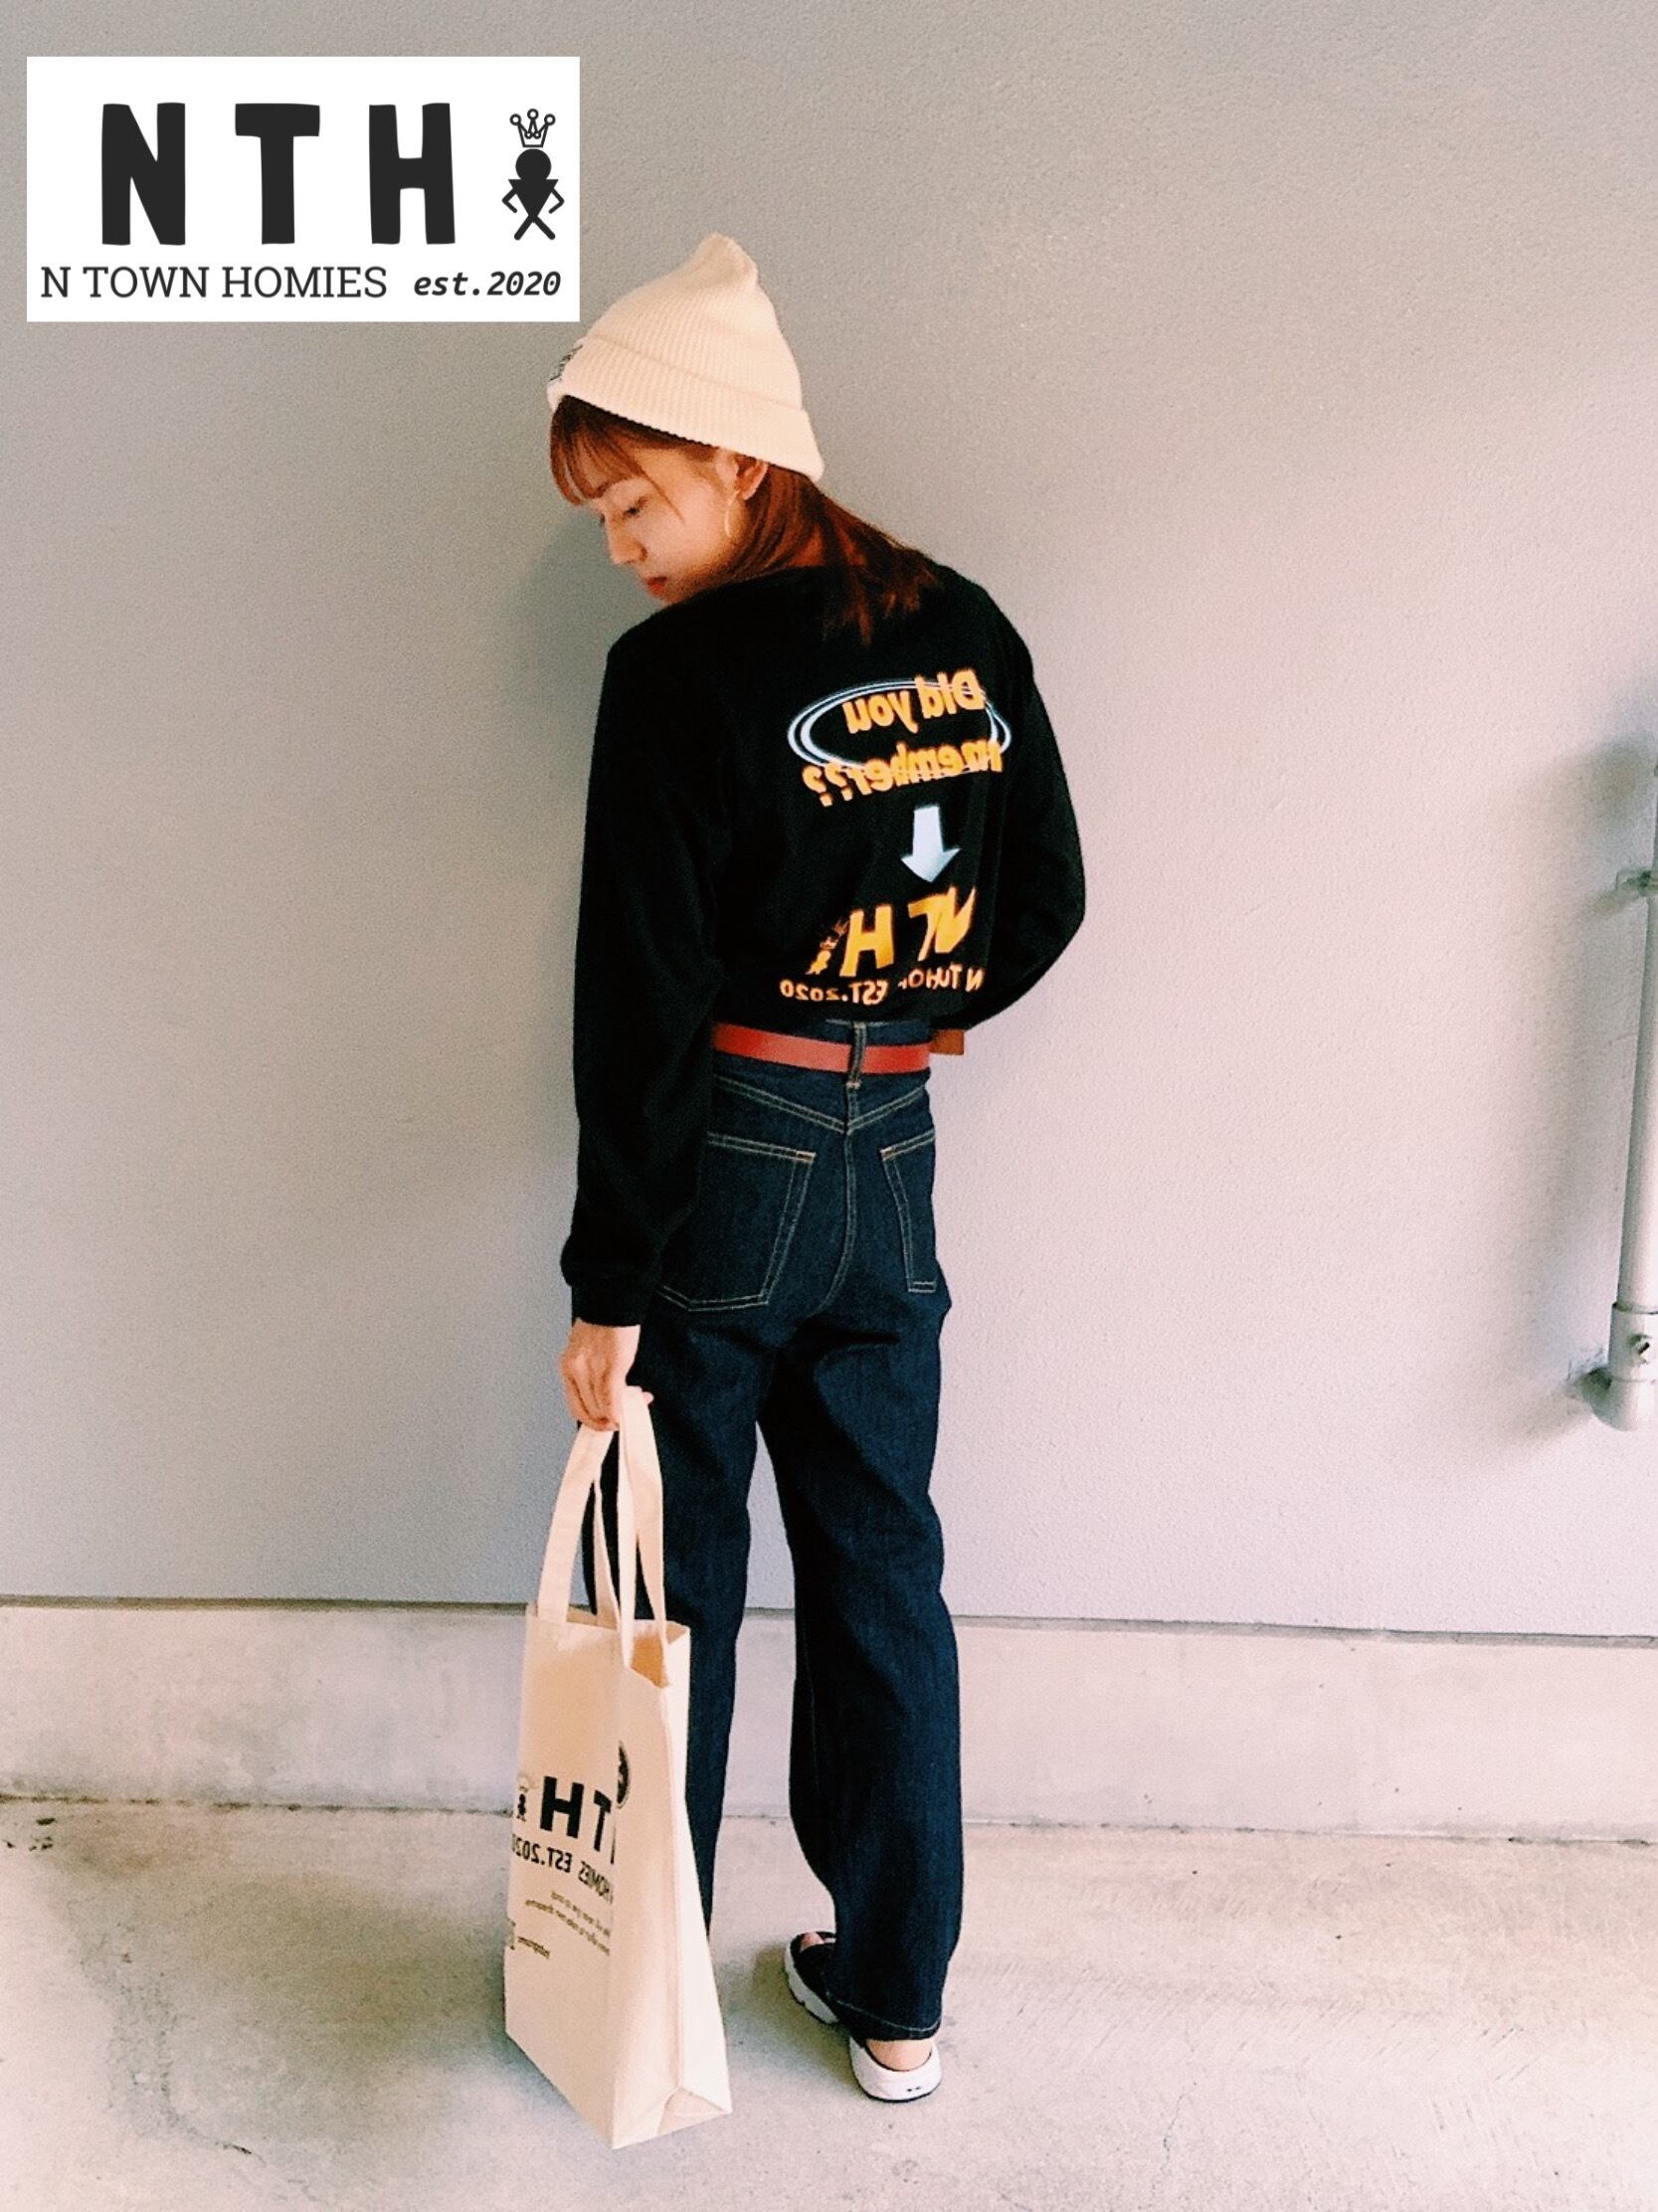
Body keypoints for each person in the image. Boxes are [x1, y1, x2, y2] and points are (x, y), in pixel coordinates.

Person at [544, 233, 1086, 2104]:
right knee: (880, 1572)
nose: (620, 545)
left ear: (736, 457)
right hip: (892, 1151)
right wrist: (907, 1008)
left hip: (727, 1161)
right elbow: (1045, 897)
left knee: (673, 1589)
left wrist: (608, 1281)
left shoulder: (675, 677)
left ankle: (646, 1995)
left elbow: (640, 999)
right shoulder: (965, 624)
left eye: (636, 500)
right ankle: (898, 1998)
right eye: (603, 516)